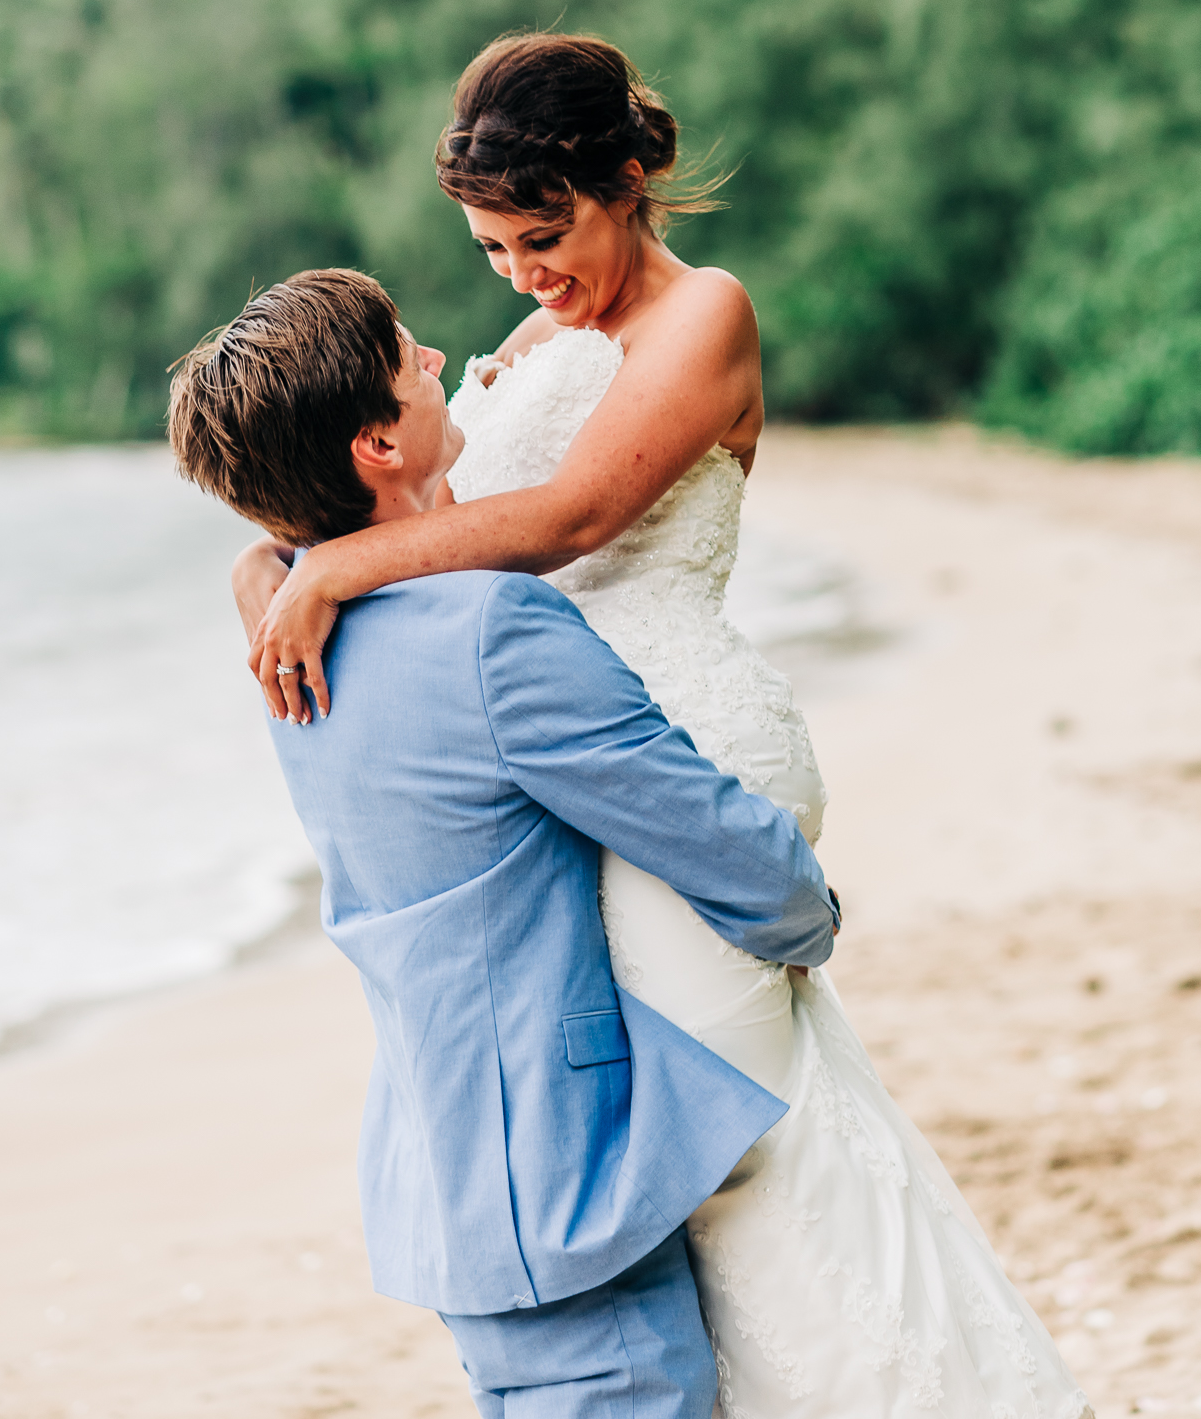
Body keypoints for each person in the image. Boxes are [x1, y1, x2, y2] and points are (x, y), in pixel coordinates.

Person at [234, 34, 1092, 1419]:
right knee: (687, 1156)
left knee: (734, 1166)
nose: (521, 274)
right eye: (492, 247)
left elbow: (568, 523)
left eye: (544, 233)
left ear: (629, 179)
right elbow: (425, 510)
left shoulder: (708, 316)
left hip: (683, 746)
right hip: (572, 768)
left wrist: (329, 571)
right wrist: (267, 560)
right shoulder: (541, 334)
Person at [168, 266, 841, 1419]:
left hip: (442, 1166)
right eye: (409, 358)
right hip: (562, 1167)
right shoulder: (490, 624)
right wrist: (807, 913)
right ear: (378, 442)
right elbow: (693, 817)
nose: (442, 360)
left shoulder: (284, 619)